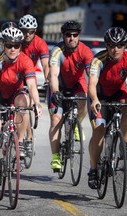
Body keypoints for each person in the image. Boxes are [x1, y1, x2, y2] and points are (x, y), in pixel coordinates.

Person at [87, 27, 127, 189]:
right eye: (111, 45)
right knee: (99, 131)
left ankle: (123, 143)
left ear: (125, 46)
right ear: (106, 46)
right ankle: (93, 169)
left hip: (118, 93)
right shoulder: (98, 59)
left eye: (120, 45)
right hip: (99, 96)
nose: (115, 49)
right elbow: (92, 83)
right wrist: (94, 99)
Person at [0, 27, 43, 192]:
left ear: (20, 46)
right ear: (3, 45)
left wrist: (37, 103)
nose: (12, 49)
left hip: (16, 94)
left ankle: (21, 141)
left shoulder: (25, 61)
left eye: (16, 46)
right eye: (9, 45)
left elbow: (31, 85)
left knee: (24, 101)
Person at [48, 20, 93, 172]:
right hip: (59, 86)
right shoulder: (57, 51)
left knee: (83, 100)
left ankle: (76, 125)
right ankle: (55, 158)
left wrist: (95, 93)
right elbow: (53, 74)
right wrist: (55, 92)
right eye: (68, 35)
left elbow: (90, 75)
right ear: (63, 35)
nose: (72, 38)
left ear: (79, 36)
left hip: (77, 85)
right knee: (55, 120)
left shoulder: (86, 51)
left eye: (75, 35)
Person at [18, 14, 50, 154]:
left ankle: (29, 139)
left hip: (30, 77)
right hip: (16, 77)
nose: (27, 34)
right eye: (24, 30)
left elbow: (45, 65)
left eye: (30, 31)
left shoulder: (40, 43)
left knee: (26, 107)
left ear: (35, 31)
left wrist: (48, 80)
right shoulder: (16, 41)